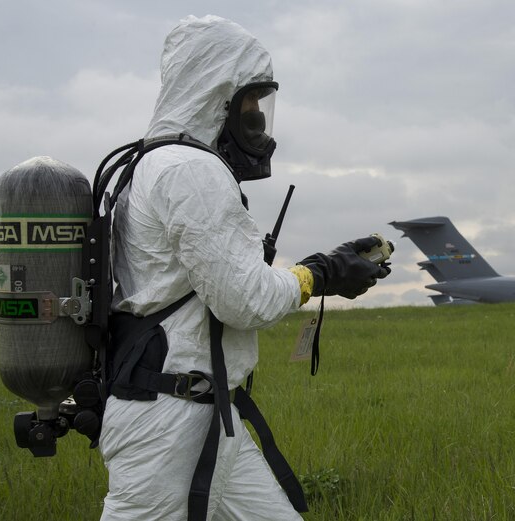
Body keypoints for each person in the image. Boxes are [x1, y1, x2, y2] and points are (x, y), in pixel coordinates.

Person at [99, 14, 389, 521]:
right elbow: (245, 300)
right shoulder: (191, 170)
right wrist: (321, 274)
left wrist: (326, 268)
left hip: (206, 415)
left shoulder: (154, 164)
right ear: (218, 93)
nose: (257, 114)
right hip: (169, 425)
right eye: (251, 99)